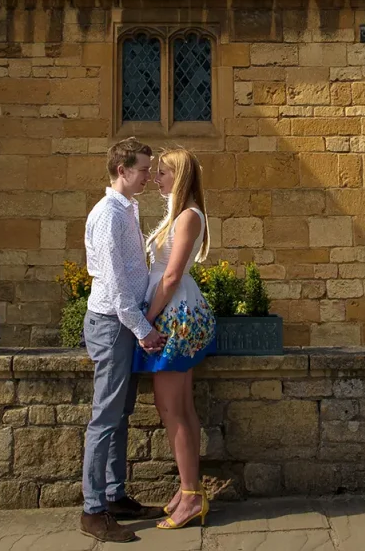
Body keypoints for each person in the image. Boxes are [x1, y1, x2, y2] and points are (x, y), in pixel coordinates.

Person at [79, 137, 163, 543]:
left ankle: (115, 495)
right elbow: (113, 283)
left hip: (121, 325)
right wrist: (143, 330)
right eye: (144, 169)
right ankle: (93, 511)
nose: (148, 176)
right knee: (105, 417)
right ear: (121, 170)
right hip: (114, 325)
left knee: (120, 413)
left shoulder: (127, 208)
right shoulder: (109, 215)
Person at [135, 147, 215, 530]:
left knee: (172, 409)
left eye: (164, 173)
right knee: (180, 406)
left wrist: (145, 321)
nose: (156, 178)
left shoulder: (187, 217)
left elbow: (170, 276)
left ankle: (190, 496)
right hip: (177, 313)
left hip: (173, 318)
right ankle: (189, 490)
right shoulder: (181, 214)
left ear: (179, 176)